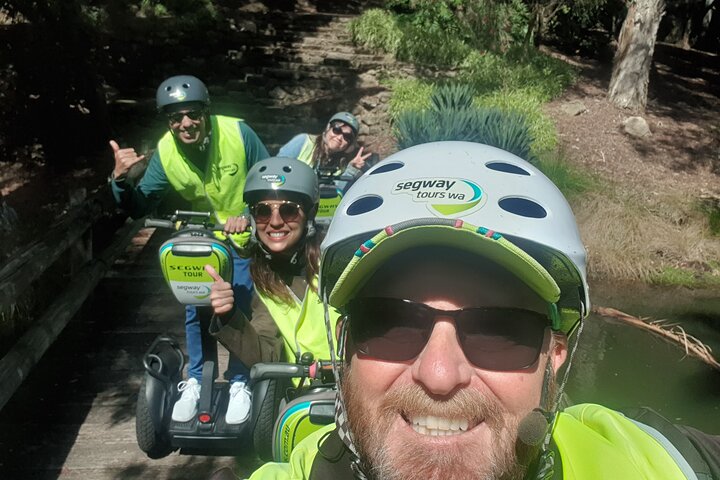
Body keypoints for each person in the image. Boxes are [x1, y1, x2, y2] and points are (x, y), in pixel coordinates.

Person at [242, 141, 720, 479]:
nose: (439, 374)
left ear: (554, 358)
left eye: (500, 330)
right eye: (390, 323)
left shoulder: (658, 462)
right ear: (344, 346)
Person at [108, 75, 270, 426]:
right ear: (168, 121)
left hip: (241, 241)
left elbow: (269, 179)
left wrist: (247, 214)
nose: (185, 123)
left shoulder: (238, 134)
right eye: (175, 117)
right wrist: (120, 181)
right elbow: (139, 206)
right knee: (195, 308)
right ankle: (196, 380)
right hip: (198, 240)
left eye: (193, 114)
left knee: (238, 305)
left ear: (205, 112)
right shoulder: (166, 150)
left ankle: (240, 380)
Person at [204, 157, 339, 368]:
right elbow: (267, 358)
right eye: (263, 211)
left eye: (289, 210)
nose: (275, 222)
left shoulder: (338, 262)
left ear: (309, 214)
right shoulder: (265, 277)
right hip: (302, 395)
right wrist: (228, 316)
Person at [277, 112, 373, 193]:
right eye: (336, 130)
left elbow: (337, 194)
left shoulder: (342, 165)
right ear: (328, 129)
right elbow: (276, 169)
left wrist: (352, 170)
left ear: (349, 145)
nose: (339, 138)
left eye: (347, 137)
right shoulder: (302, 141)